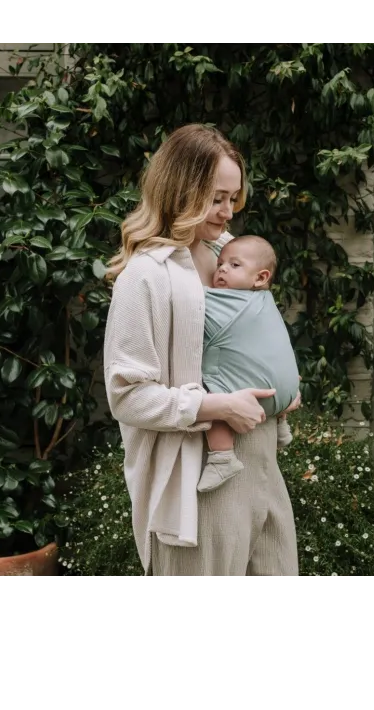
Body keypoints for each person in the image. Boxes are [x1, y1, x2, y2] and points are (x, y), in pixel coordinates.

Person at [103, 124, 300, 577]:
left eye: (233, 198)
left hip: (261, 460)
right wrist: (219, 406)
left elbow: (253, 333)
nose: (228, 212)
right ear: (180, 192)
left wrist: (283, 381)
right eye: (216, 199)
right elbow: (127, 396)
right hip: (197, 475)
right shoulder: (145, 275)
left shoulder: (230, 255)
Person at [197, 234, 299, 493]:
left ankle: (222, 457)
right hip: (288, 392)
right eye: (220, 264)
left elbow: (187, 300)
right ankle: (281, 425)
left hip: (255, 398)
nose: (222, 269)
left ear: (261, 278)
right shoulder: (264, 299)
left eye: (234, 265)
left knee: (213, 397)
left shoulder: (220, 300)